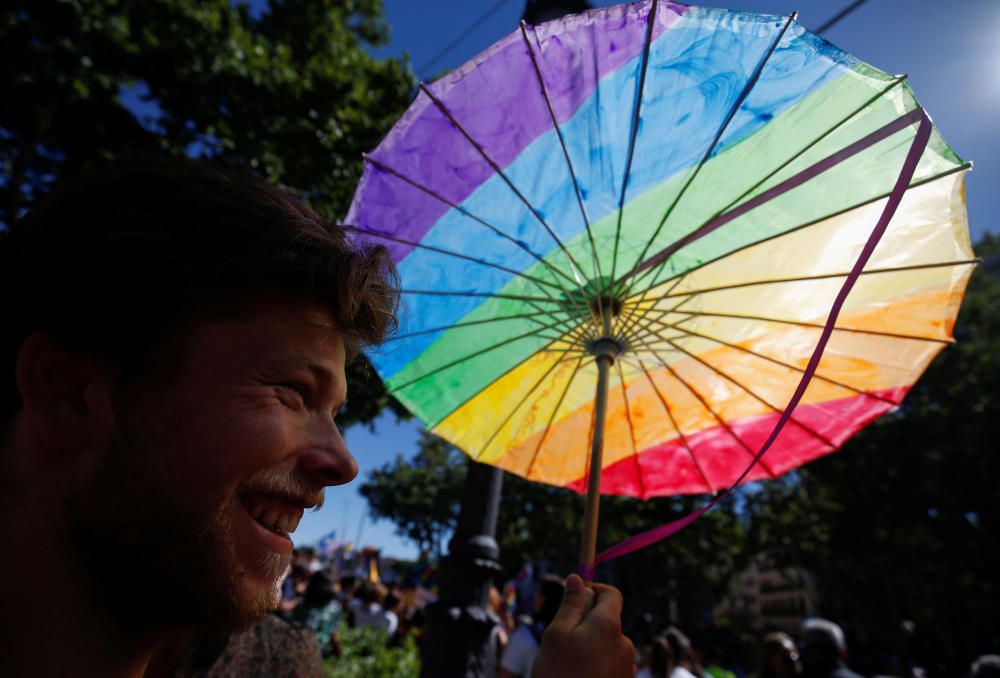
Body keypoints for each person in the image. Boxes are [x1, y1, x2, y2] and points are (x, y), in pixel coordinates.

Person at [0, 156, 634, 677]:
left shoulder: (277, 667)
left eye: (333, 413)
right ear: (72, 393)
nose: (343, 462)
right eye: (291, 390)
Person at [500, 574, 565, 677]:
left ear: (544, 599)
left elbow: (505, 674)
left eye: (539, 593)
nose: (535, 597)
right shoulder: (567, 639)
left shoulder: (524, 635)